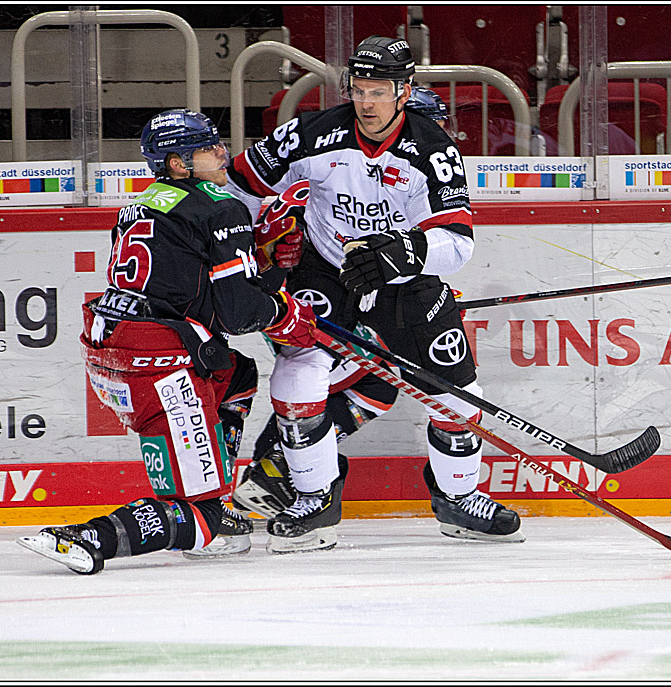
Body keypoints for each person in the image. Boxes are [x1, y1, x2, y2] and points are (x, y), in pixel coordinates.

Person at [222, 36, 524, 554]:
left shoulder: (432, 150)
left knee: (455, 396)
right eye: (358, 89)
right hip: (326, 274)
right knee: (299, 375)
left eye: (378, 90)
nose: (366, 101)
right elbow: (239, 185)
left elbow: (456, 243)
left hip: (406, 285)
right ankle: (315, 500)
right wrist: (256, 245)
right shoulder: (309, 134)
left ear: (404, 91)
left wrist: (406, 252)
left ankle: (458, 498)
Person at [16, 109, 317, 574]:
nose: (222, 152)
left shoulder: (142, 203)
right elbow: (236, 314)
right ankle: (91, 538)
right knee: (202, 518)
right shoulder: (221, 206)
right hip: (160, 364)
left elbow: (189, 282)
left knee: (236, 373)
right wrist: (286, 311)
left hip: (115, 349)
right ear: (178, 163)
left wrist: (268, 267)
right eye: (208, 147)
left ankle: (208, 486)